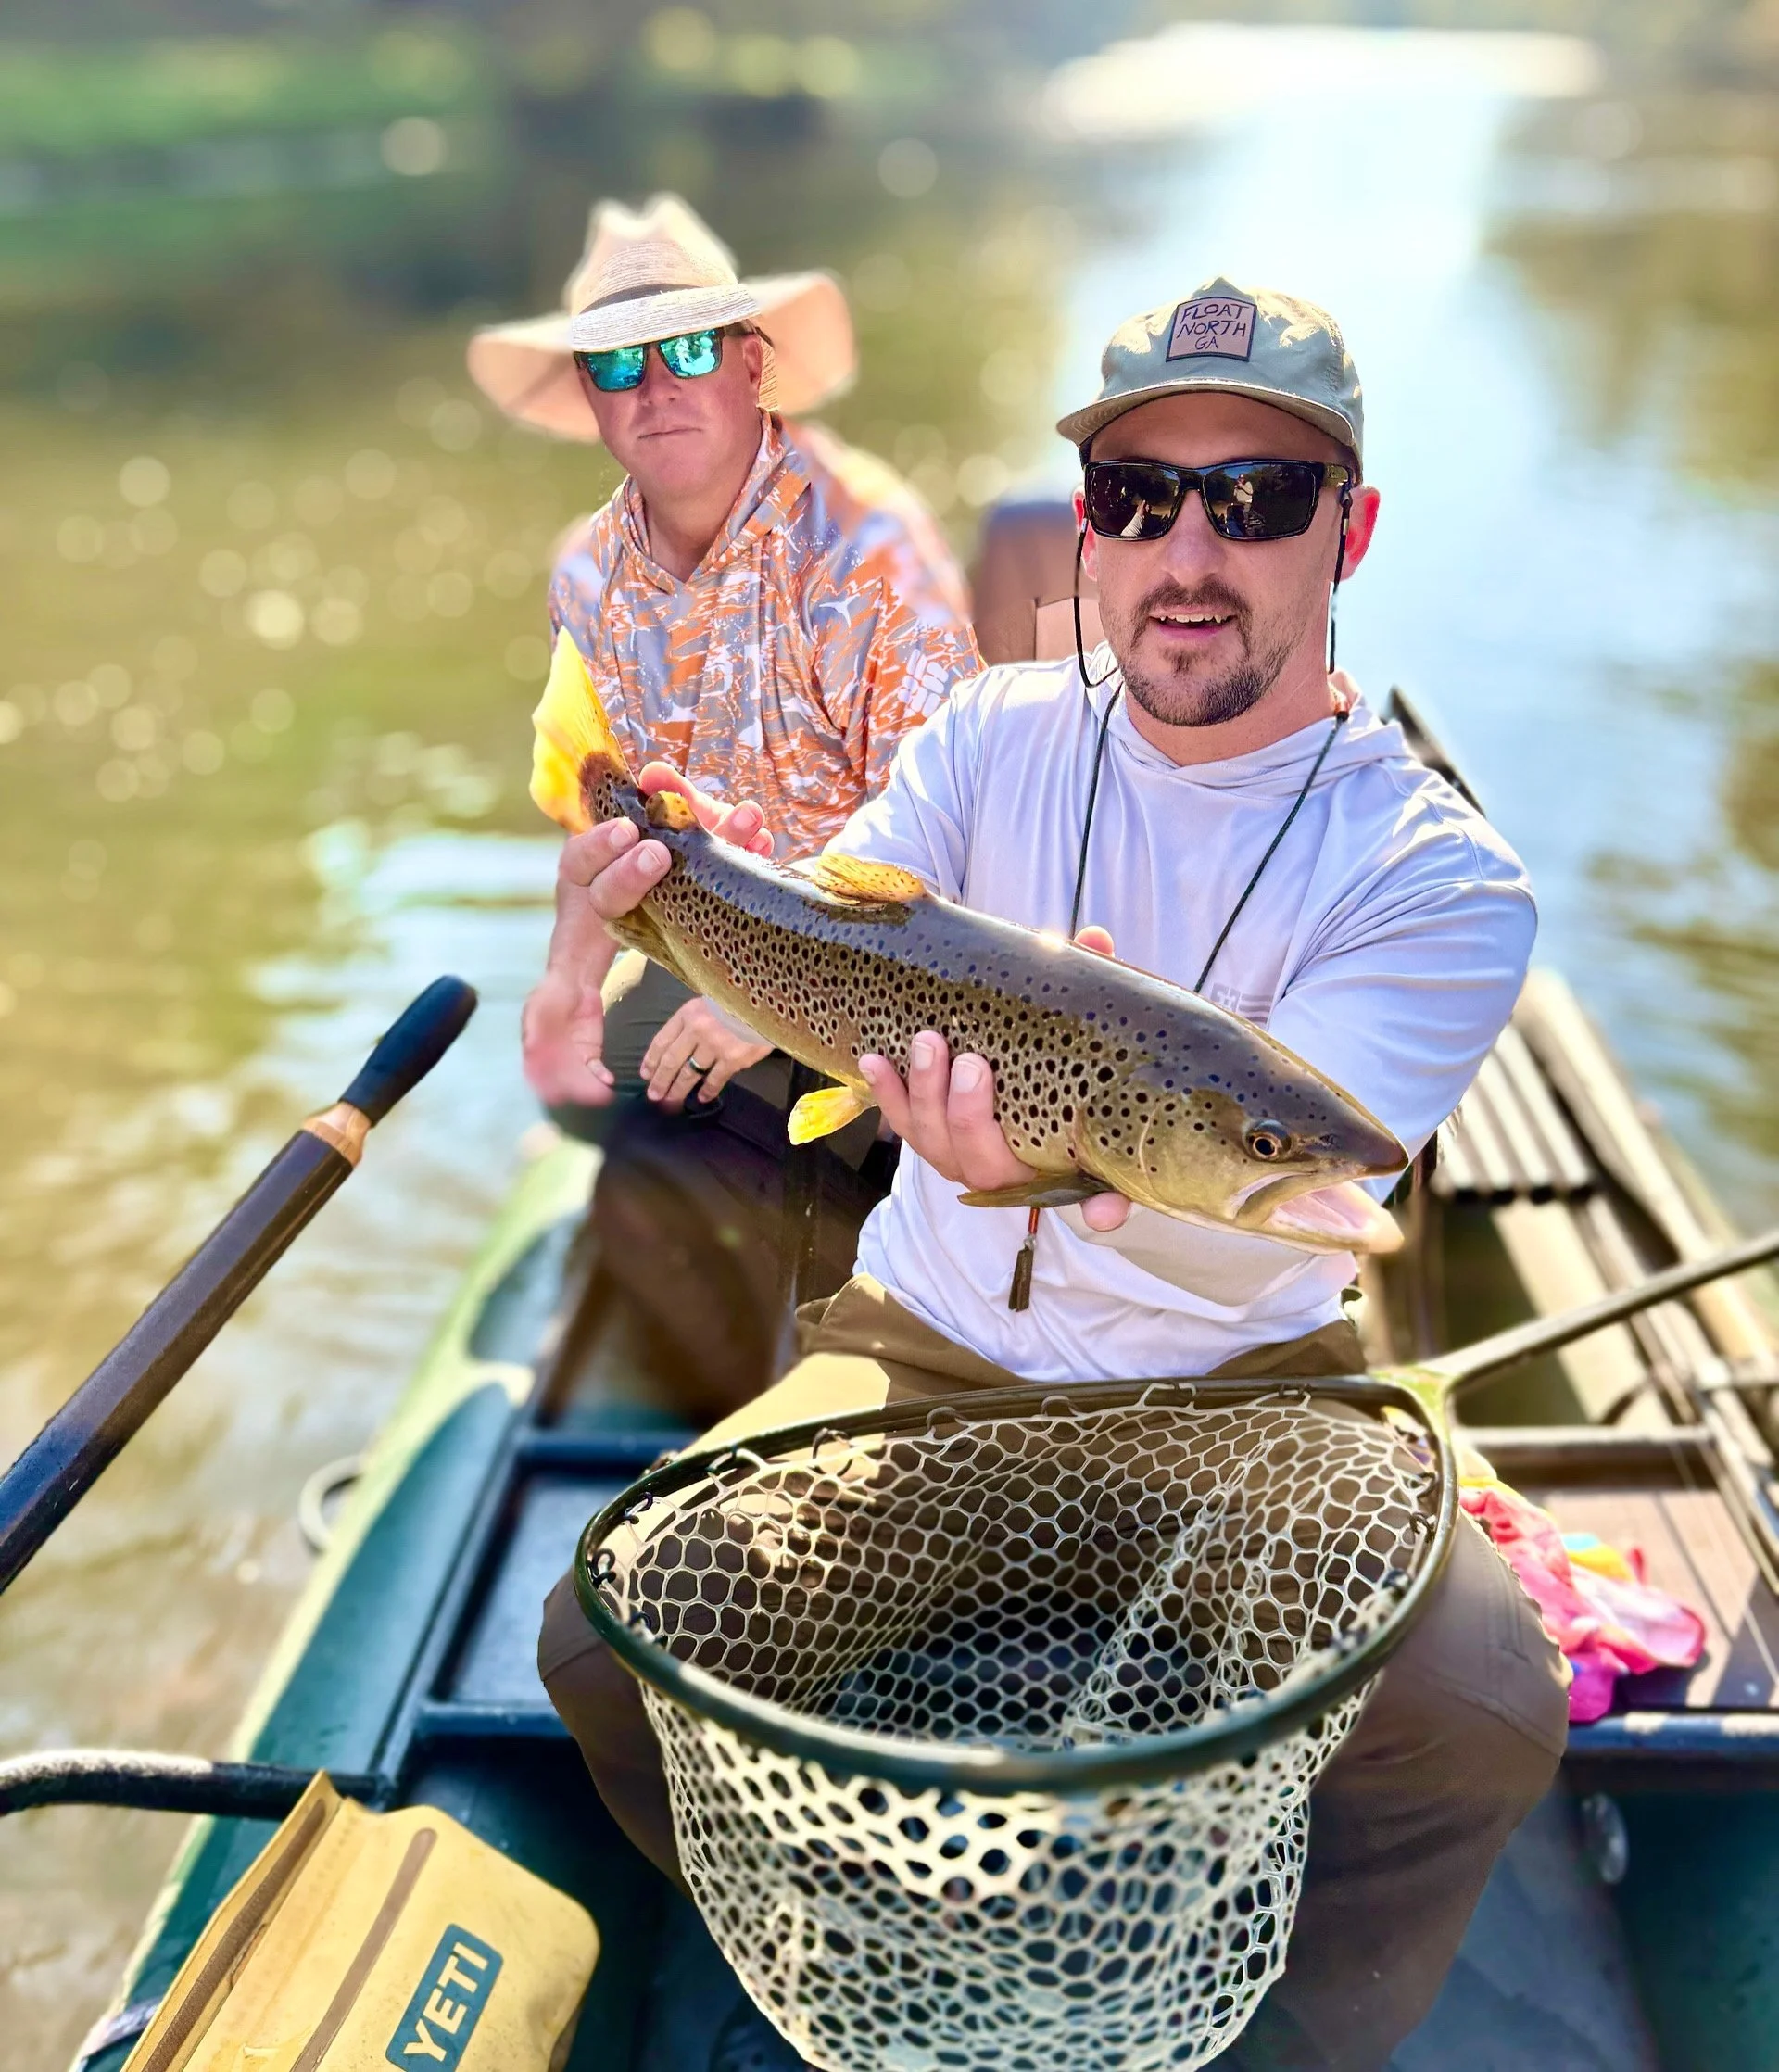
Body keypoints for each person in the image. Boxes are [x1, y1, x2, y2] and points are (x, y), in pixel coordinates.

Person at [536, 278, 1571, 2069]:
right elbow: (818, 912)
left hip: (1251, 1400)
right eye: (1137, 498)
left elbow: (1286, 1226)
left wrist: (1078, 1173)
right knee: (606, 1641)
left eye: (1254, 498)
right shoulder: (986, 737)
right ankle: (873, 1964)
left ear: (1353, 528)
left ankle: (1283, 2041)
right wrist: (653, 900)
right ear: (1085, 532)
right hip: (926, 1355)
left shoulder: (1442, 881)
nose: (1190, 549)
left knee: (1483, 1704)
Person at [468, 194, 980, 1142]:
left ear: (752, 366)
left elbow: (959, 834)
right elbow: (598, 810)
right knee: (598, 1111)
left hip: (900, 988)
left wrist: (774, 1005)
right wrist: (567, 981)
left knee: (779, 1151)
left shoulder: (869, 546)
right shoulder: (584, 573)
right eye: (620, 361)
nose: (655, 386)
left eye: (690, 349)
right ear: (590, 393)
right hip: (710, 954)